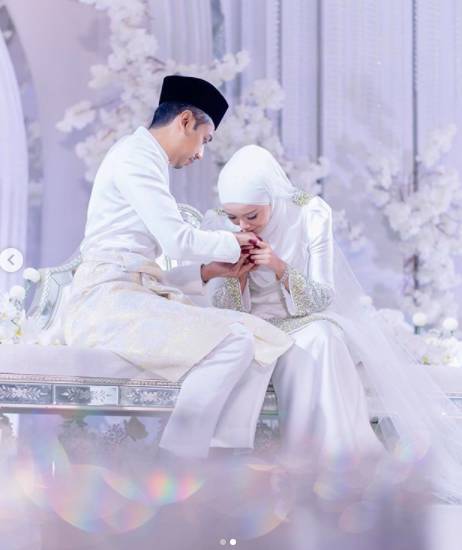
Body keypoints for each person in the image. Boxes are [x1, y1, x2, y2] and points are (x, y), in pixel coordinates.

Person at [200, 144, 462, 502]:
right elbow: (223, 309)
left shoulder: (309, 213)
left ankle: (331, 467)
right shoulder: (219, 224)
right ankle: (267, 473)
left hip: (303, 320)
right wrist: (237, 275)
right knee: (248, 343)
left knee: (322, 338)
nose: (243, 226)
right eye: (235, 218)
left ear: (272, 200)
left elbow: (322, 297)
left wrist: (279, 267)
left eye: (252, 216)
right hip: (250, 326)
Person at [63, 77, 292, 460]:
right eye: (205, 139)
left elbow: (143, 270)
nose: (201, 153)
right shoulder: (135, 158)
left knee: (256, 339)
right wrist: (234, 242)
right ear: (185, 120)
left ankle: (221, 453)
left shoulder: (144, 158)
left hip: (125, 295)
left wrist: (209, 272)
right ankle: (182, 458)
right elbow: (176, 241)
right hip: (104, 303)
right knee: (237, 341)